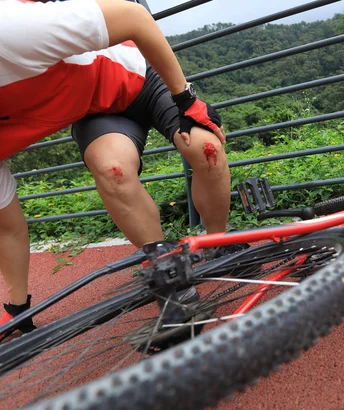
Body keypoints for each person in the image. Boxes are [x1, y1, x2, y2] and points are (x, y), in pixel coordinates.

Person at [0, 0, 229, 337]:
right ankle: (174, 285)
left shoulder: (11, 28)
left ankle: (219, 244)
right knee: (113, 171)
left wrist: (188, 101)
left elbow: (135, 16)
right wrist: (16, 310)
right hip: (96, 111)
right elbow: (8, 228)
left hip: (140, 74)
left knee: (205, 147)